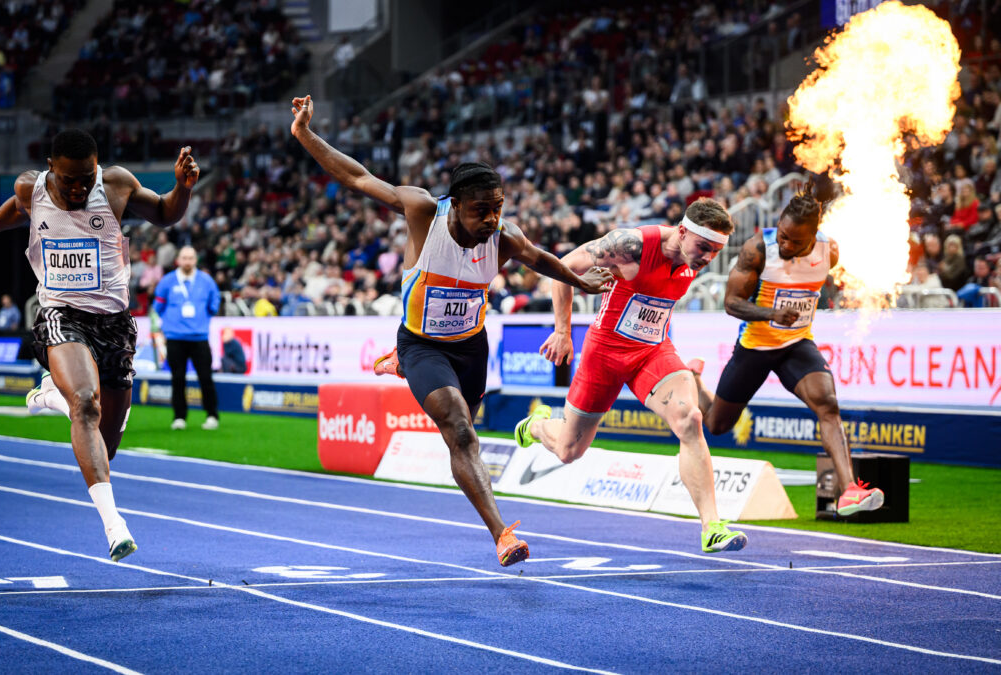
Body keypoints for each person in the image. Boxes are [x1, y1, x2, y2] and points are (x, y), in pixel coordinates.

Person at [290, 94, 614, 567]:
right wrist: (304, 134)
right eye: (481, 209)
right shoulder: (423, 212)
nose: (491, 218)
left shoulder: (504, 236)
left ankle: (404, 369)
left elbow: (540, 259)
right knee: (459, 433)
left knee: (470, 430)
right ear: (455, 204)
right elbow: (357, 176)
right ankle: (502, 534)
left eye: (498, 207)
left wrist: (579, 281)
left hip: (470, 347)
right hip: (421, 343)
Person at [0, 129, 199, 561]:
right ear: (51, 169)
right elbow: (16, 209)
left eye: (87, 176)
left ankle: (50, 396)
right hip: (61, 314)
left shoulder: (116, 184)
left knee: (106, 442)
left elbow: (164, 215)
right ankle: (114, 525)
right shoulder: (32, 188)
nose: (80, 186)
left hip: (115, 325)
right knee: (85, 402)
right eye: (70, 180)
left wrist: (183, 188)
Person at [513, 199, 750, 554]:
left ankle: (711, 527)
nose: (707, 259)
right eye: (703, 248)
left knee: (690, 419)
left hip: (652, 350)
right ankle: (536, 425)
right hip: (604, 353)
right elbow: (562, 268)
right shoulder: (633, 245)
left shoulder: (693, 255)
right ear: (682, 232)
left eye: (716, 252)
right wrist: (563, 331)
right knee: (568, 451)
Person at [688, 188, 884, 517]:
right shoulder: (758, 249)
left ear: (814, 235)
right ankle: (694, 379)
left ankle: (849, 489)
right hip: (756, 346)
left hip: (796, 344)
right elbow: (730, 303)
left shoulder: (829, 250)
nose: (787, 245)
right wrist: (771, 314)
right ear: (778, 224)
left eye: (796, 241)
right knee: (717, 424)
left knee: (828, 405)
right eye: (783, 236)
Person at [153, 246, 221, 429]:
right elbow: (157, 305)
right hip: (175, 337)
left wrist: (205, 315)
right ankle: (179, 417)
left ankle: (212, 415)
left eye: (191, 258)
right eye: (184, 258)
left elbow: (215, 301)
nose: (188, 261)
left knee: (205, 378)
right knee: (177, 378)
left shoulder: (207, 281)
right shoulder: (167, 281)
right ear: (178, 260)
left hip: (199, 337)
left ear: (196, 259)